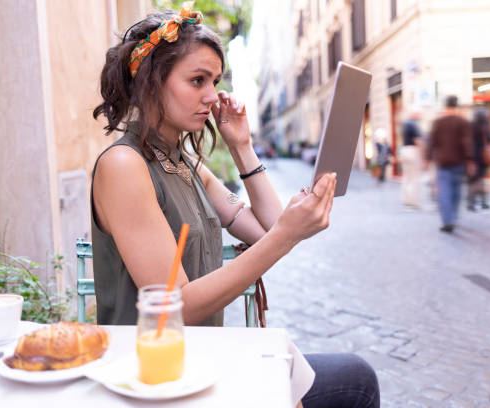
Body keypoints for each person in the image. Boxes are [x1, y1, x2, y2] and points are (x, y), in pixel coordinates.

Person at [90, 4, 379, 408]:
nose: (212, 96)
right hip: (150, 379)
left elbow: (267, 230)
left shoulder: (185, 163)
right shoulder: (124, 166)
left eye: (214, 81)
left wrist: (242, 148)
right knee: (355, 383)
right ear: (151, 83)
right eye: (197, 80)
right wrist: (285, 234)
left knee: (356, 375)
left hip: (202, 360)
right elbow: (180, 307)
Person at [425, 95, 475, 232]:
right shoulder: (463, 122)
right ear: (456, 106)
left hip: (443, 162)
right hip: (459, 162)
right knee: (456, 192)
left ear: (446, 106)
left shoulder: (438, 122)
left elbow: (432, 142)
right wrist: (470, 159)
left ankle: (447, 220)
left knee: (444, 192)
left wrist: (427, 158)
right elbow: (467, 142)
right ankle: (454, 217)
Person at [467, 108, 490, 211]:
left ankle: (472, 203)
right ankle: (484, 202)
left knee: (473, 180)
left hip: (471, 157)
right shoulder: (485, 126)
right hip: (482, 157)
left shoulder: (471, 125)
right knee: (481, 180)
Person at [400, 111, 423, 207]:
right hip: (412, 151)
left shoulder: (405, 124)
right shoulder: (414, 124)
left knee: (406, 177)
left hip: (404, 150)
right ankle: (413, 201)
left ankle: (406, 199)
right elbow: (417, 140)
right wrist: (423, 151)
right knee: (414, 177)